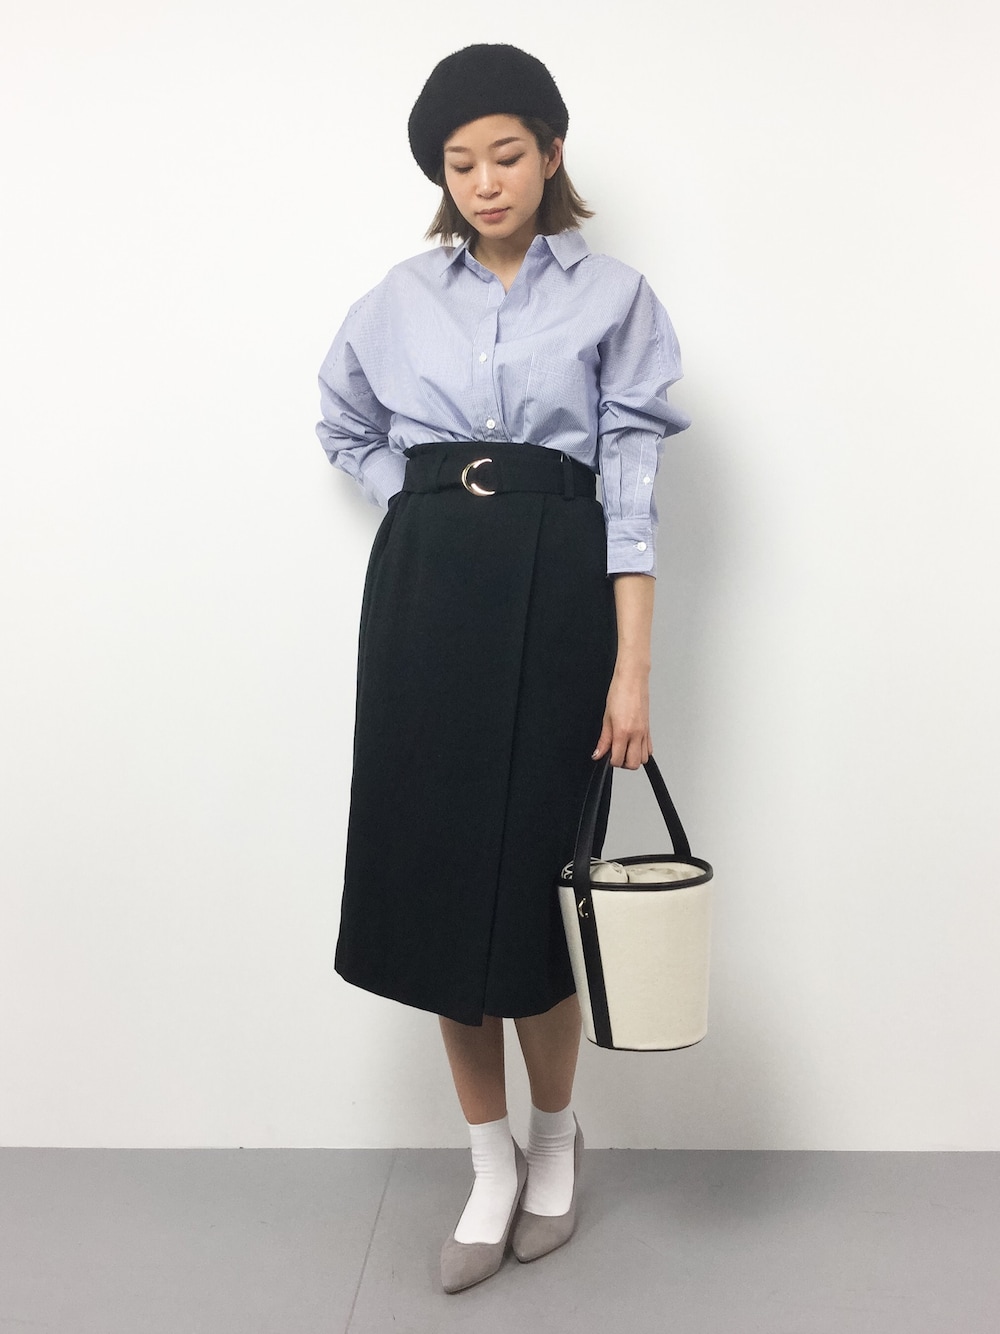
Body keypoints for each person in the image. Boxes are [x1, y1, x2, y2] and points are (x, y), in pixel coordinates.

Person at [315, 42, 691, 1293]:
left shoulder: (616, 297)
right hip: (428, 595)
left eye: (505, 154)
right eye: (459, 162)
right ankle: (487, 1160)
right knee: (434, 879)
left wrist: (632, 668)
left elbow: (630, 490)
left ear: (551, 152)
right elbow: (343, 421)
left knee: (538, 882)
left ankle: (555, 1139)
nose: (483, 182)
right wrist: (417, 497)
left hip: (560, 587)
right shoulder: (397, 297)